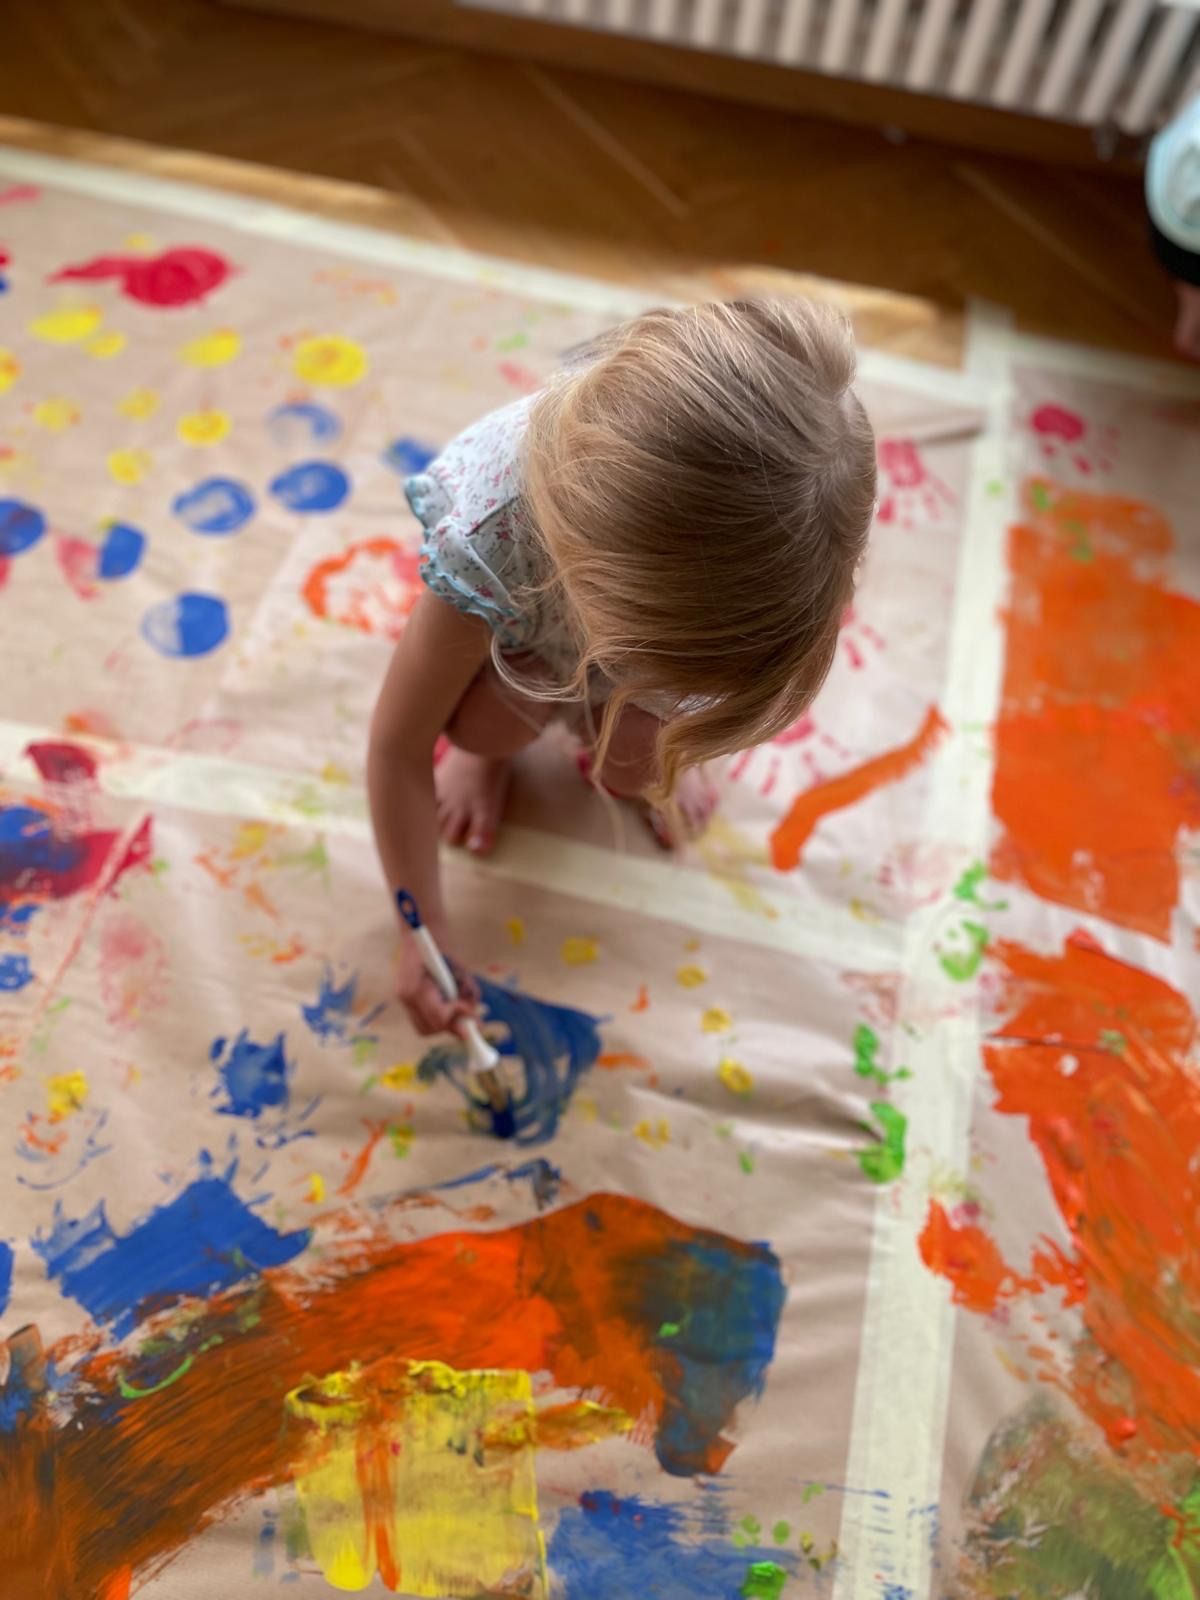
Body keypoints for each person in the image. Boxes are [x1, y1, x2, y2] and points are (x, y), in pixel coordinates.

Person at [368, 298, 876, 1034]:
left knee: (640, 765)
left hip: (613, 622)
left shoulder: (804, 533)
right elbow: (396, 746)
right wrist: (424, 933)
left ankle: (629, 713)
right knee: (485, 729)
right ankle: (498, 757)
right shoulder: (492, 538)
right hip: (530, 633)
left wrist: (667, 720)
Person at [1146, 94, 1200, 358]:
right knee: (1194, 297)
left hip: (1163, 193)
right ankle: (1187, 335)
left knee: (1190, 291)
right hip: (1186, 240)